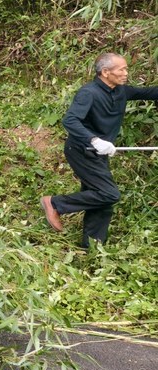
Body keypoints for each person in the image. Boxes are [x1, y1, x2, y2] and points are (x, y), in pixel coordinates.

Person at [40, 52, 158, 247]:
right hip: (81, 150)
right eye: (122, 69)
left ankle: (92, 248)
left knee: (101, 200)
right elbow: (70, 120)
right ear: (105, 72)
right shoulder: (89, 93)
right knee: (109, 194)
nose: (126, 73)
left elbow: (150, 93)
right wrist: (94, 140)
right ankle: (54, 204)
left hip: (98, 154)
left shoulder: (121, 91)